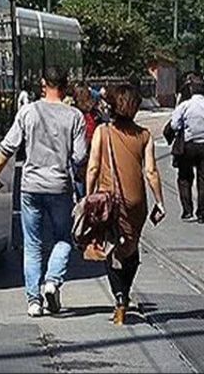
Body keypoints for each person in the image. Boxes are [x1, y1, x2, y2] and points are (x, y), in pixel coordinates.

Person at [0, 66, 88, 317]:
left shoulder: (28, 112)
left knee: (32, 244)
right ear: (65, 86)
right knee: (64, 238)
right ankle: (52, 282)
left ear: (44, 83)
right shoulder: (74, 116)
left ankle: (34, 301)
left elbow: (7, 148)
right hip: (59, 187)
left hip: (30, 186)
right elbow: (80, 156)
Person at [83, 84, 165, 325]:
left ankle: (120, 298)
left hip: (109, 200)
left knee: (111, 248)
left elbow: (93, 167)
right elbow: (150, 171)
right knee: (131, 246)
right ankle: (126, 292)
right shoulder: (145, 135)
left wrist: (89, 197)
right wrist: (159, 201)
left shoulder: (102, 132)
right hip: (136, 201)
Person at [169, 73, 204, 223]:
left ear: (191, 90)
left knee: (184, 178)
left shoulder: (185, 106)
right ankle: (202, 213)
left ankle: (187, 210)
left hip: (188, 146)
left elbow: (174, 125)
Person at [71, 85, 99, 199]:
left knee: (79, 185)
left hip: (79, 152)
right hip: (93, 152)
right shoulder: (94, 113)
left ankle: (82, 203)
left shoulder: (75, 113)